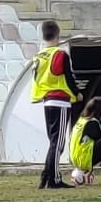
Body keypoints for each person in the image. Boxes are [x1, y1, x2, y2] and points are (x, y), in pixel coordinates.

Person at [30, 19, 81, 189]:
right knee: (58, 143)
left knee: (53, 142)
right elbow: (68, 77)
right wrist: (77, 93)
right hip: (60, 100)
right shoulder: (60, 54)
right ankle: (53, 180)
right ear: (58, 35)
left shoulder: (39, 55)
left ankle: (47, 177)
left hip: (47, 101)